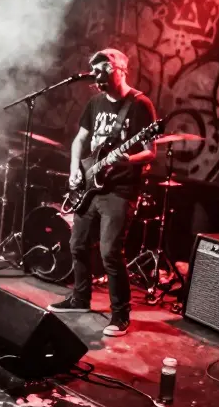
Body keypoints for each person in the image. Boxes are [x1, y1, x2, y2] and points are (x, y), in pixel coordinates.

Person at [48, 48, 157, 336]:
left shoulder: (140, 105)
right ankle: (80, 299)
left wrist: (128, 159)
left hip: (121, 190)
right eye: (94, 71)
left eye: (102, 70)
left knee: (110, 251)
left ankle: (120, 314)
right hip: (90, 183)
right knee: (78, 244)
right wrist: (74, 168)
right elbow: (79, 139)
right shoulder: (95, 102)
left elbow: (150, 152)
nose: (97, 76)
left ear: (120, 70)